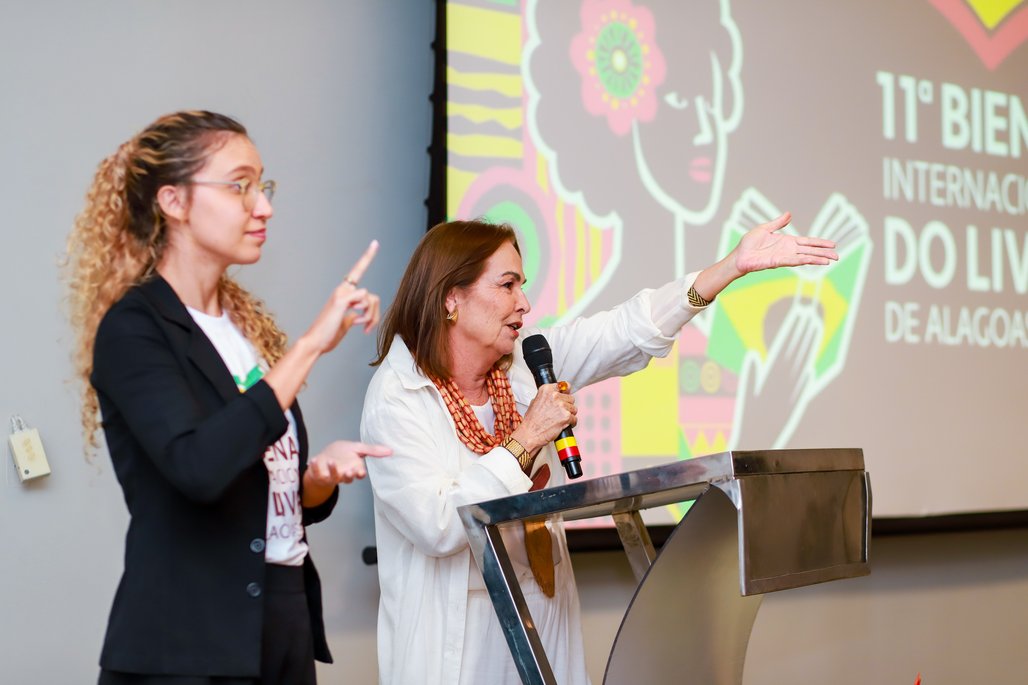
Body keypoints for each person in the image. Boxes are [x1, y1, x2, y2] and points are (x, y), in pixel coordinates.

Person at [360, 216, 838, 684]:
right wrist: (527, 438)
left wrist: (729, 268)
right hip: (458, 649)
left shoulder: (522, 367)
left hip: (538, 627)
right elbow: (439, 526)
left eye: (522, 285)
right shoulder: (397, 397)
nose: (524, 303)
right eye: (507, 285)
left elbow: (626, 330)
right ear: (451, 298)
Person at [64, 110, 391, 685]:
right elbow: (199, 467)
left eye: (262, 186)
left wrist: (314, 479)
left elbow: (254, 483)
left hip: (282, 616)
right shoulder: (134, 328)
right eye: (239, 186)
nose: (263, 207)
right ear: (173, 201)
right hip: (189, 644)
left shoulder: (241, 329)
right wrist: (312, 345)